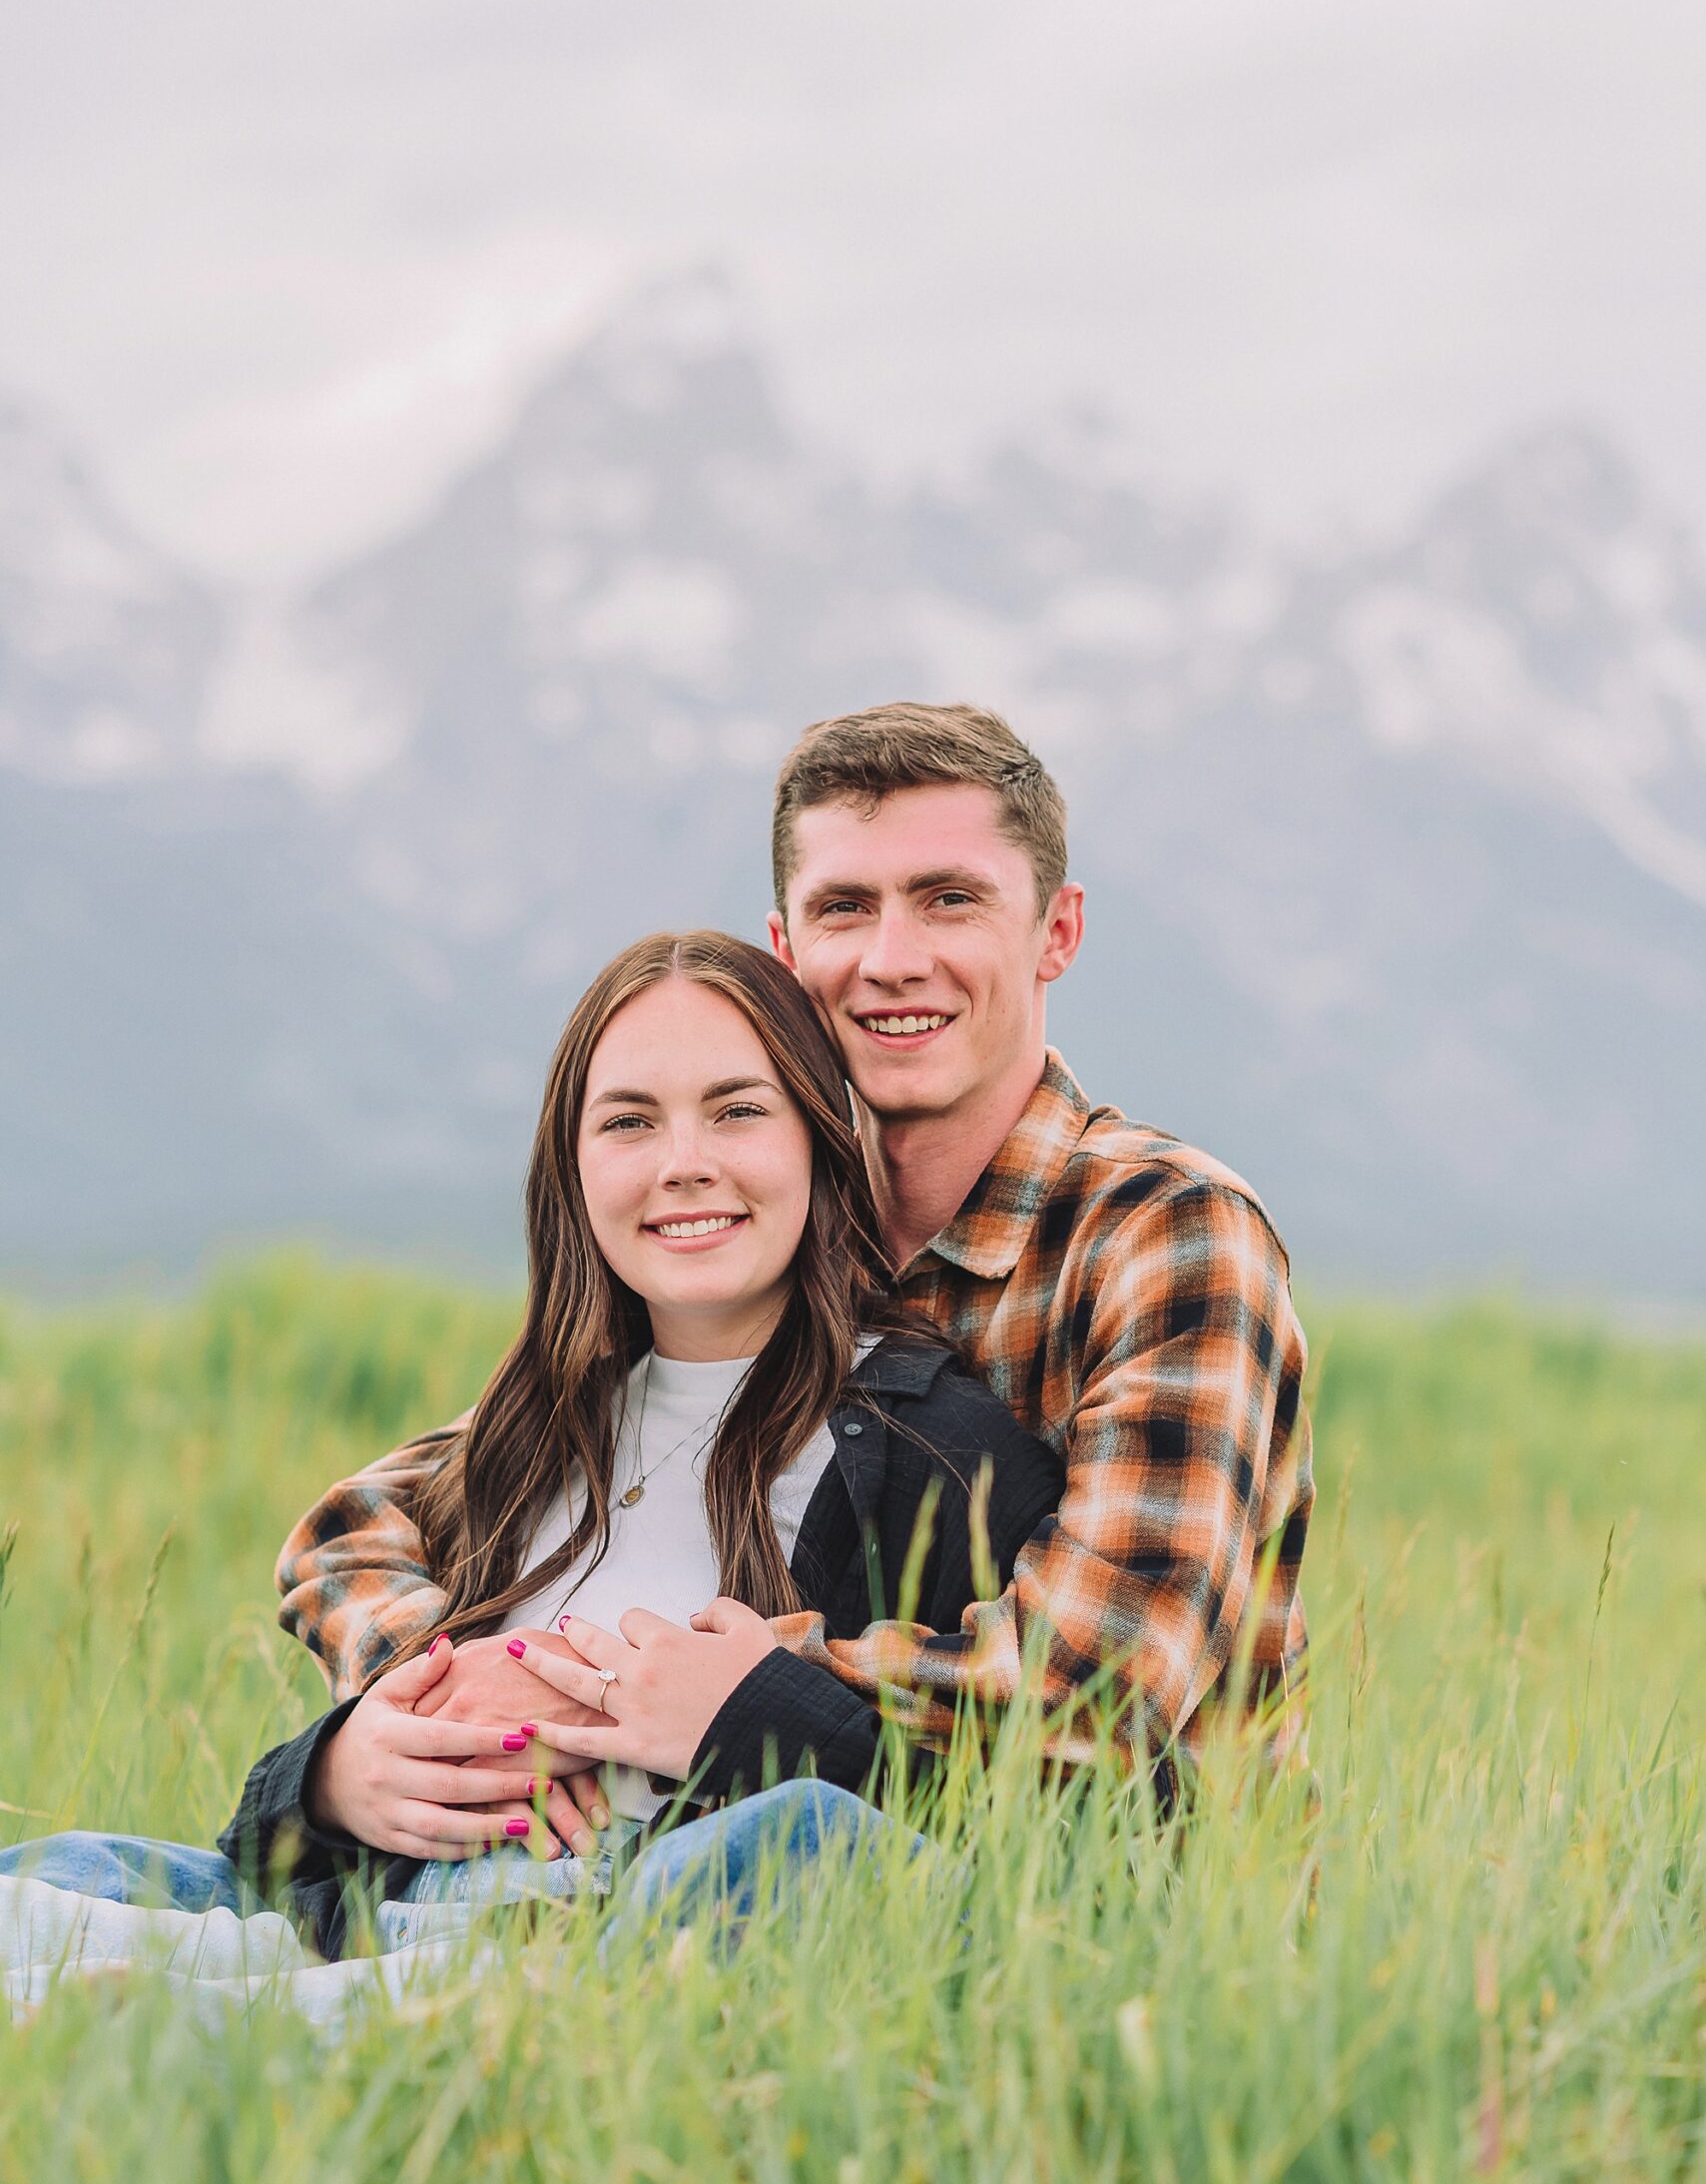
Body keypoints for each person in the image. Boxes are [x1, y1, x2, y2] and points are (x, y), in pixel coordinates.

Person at [264, 702, 1315, 1829]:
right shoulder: (769, 1224)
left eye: (949, 900)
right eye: (843, 908)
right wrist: (443, 1704)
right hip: (783, 1864)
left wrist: (710, 1686)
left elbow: (1098, 1684)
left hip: (1118, 1892)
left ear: (1055, 931)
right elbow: (375, 1516)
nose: (891, 960)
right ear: (787, 951)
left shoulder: (1164, 1232)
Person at [1, 928, 1062, 1985]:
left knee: (794, 1840)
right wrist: (334, 1777)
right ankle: (302, 1993)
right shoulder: (532, 1431)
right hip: (394, 1914)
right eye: (629, 1121)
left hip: (638, 1925)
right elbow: (287, 1850)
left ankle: (325, 2009)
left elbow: (1000, 1811)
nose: (683, 1163)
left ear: (820, 1142)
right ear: (575, 1168)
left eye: (737, 1110)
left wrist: (745, 1717)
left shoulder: (932, 1449)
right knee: (54, 1873)